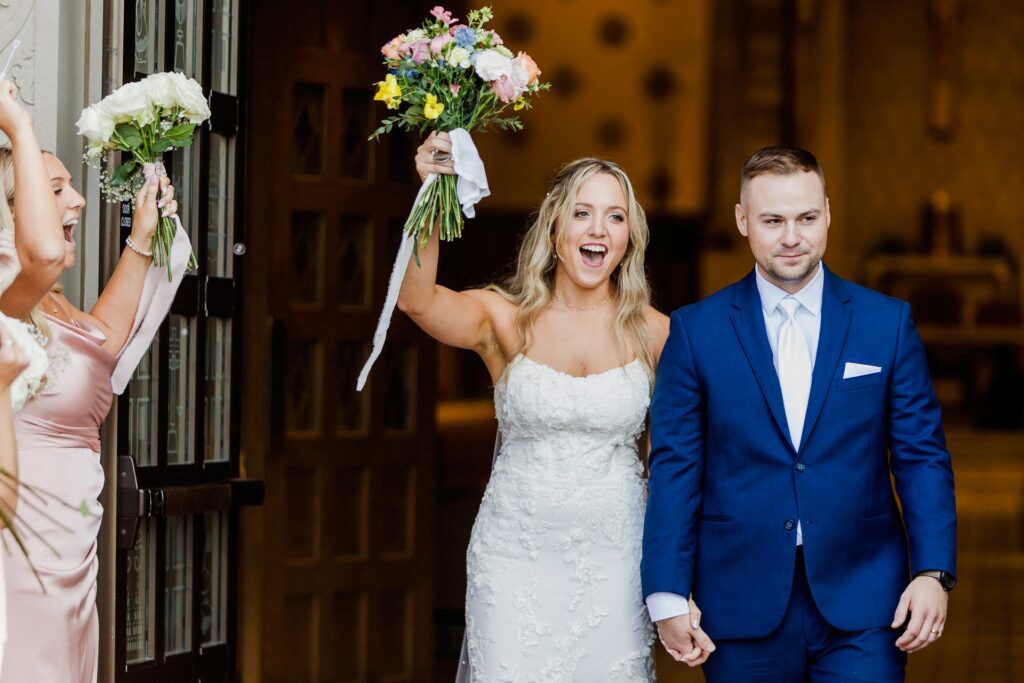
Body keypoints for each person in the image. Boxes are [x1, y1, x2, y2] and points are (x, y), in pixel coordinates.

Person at [642, 145, 957, 682]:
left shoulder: (888, 324)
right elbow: (674, 467)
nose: (792, 237)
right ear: (743, 220)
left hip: (866, 603)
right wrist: (667, 592)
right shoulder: (696, 332)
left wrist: (933, 571)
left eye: (807, 218)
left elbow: (921, 457)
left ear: (828, 213)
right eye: (773, 220)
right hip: (739, 601)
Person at [400, 132, 706, 681]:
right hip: (514, 558)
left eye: (615, 217)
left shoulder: (658, 334)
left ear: (630, 236)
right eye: (582, 213)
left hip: (617, 563)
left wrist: (676, 583)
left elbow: (677, 471)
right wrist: (431, 194)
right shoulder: (504, 319)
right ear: (554, 230)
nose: (597, 229)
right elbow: (417, 300)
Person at [0, 78, 179, 682]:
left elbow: (100, 344)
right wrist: (17, 125)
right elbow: (43, 254)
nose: (77, 201)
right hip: (20, 544)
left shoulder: (52, 304)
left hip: (72, 543)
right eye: (56, 189)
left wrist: (143, 239)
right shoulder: (7, 298)